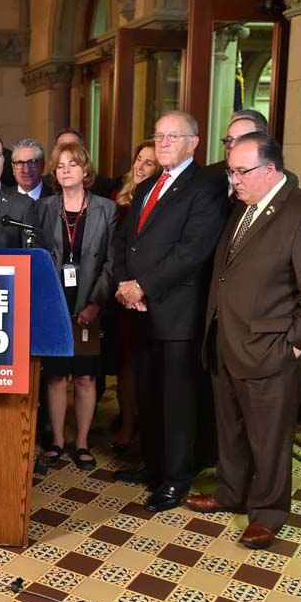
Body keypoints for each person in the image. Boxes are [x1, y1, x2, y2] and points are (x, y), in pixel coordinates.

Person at [186, 133, 301, 550]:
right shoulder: (244, 208)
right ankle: (230, 492)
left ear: (270, 169)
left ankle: (268, 513)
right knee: (231, 428)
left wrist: (294, 346)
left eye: (241, 171)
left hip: (272, 351)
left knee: (269, 439)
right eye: (231, 171)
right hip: (227, 342)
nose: (233, 180)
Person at [112, 110, 229, 513]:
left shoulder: (206, 188)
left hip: (177, 313)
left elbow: (192, 251)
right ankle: (153, 466)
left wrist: (142, 286)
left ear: (194, 142)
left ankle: (176, 480)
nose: (162, 143)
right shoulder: (148, 186)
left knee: (177, 400)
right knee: (149, 393)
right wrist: (124, 286)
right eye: (159, 135)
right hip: (141, 309)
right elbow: (126, 240)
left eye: (172, 136)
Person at [36, 142, 118, 471]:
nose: (66, 169)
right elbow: (38, 259)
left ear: (86, 171)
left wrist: (96, 303)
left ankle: (81, 442)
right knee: (55, 378)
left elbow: (112, 261)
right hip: (54, 305)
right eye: (60, 165)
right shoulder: (43, 208)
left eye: (73, 164)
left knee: (85, 377)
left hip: (89, 303)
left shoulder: (105, 209)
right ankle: (57, 440)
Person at [105, 141, 157, 453]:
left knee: (143, 364)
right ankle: (126, 423)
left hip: (147, 295)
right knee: (125, 364)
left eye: (149, 163)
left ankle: (142, 423)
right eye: (139, 159)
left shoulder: (159, 200)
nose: (140, 166)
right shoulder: (116, 199)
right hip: (121, 293)